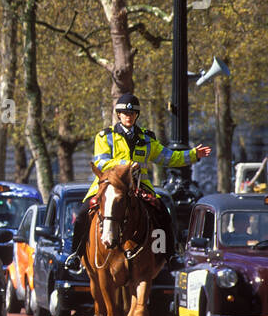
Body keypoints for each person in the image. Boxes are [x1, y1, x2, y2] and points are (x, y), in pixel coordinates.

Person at [70, 93, 211, 270]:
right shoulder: (105, 137)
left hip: (138, 187)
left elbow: (168, 157)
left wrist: (192, 155)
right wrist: (127, 164)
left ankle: (170, 255)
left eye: (132, 114)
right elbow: (101, 161)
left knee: (163, 212)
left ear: (136, 116)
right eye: (124, 113)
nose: (128, 116)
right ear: (118, 115)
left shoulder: (147, 139)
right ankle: (75, 254)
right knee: (83, 214)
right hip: (109, 187)